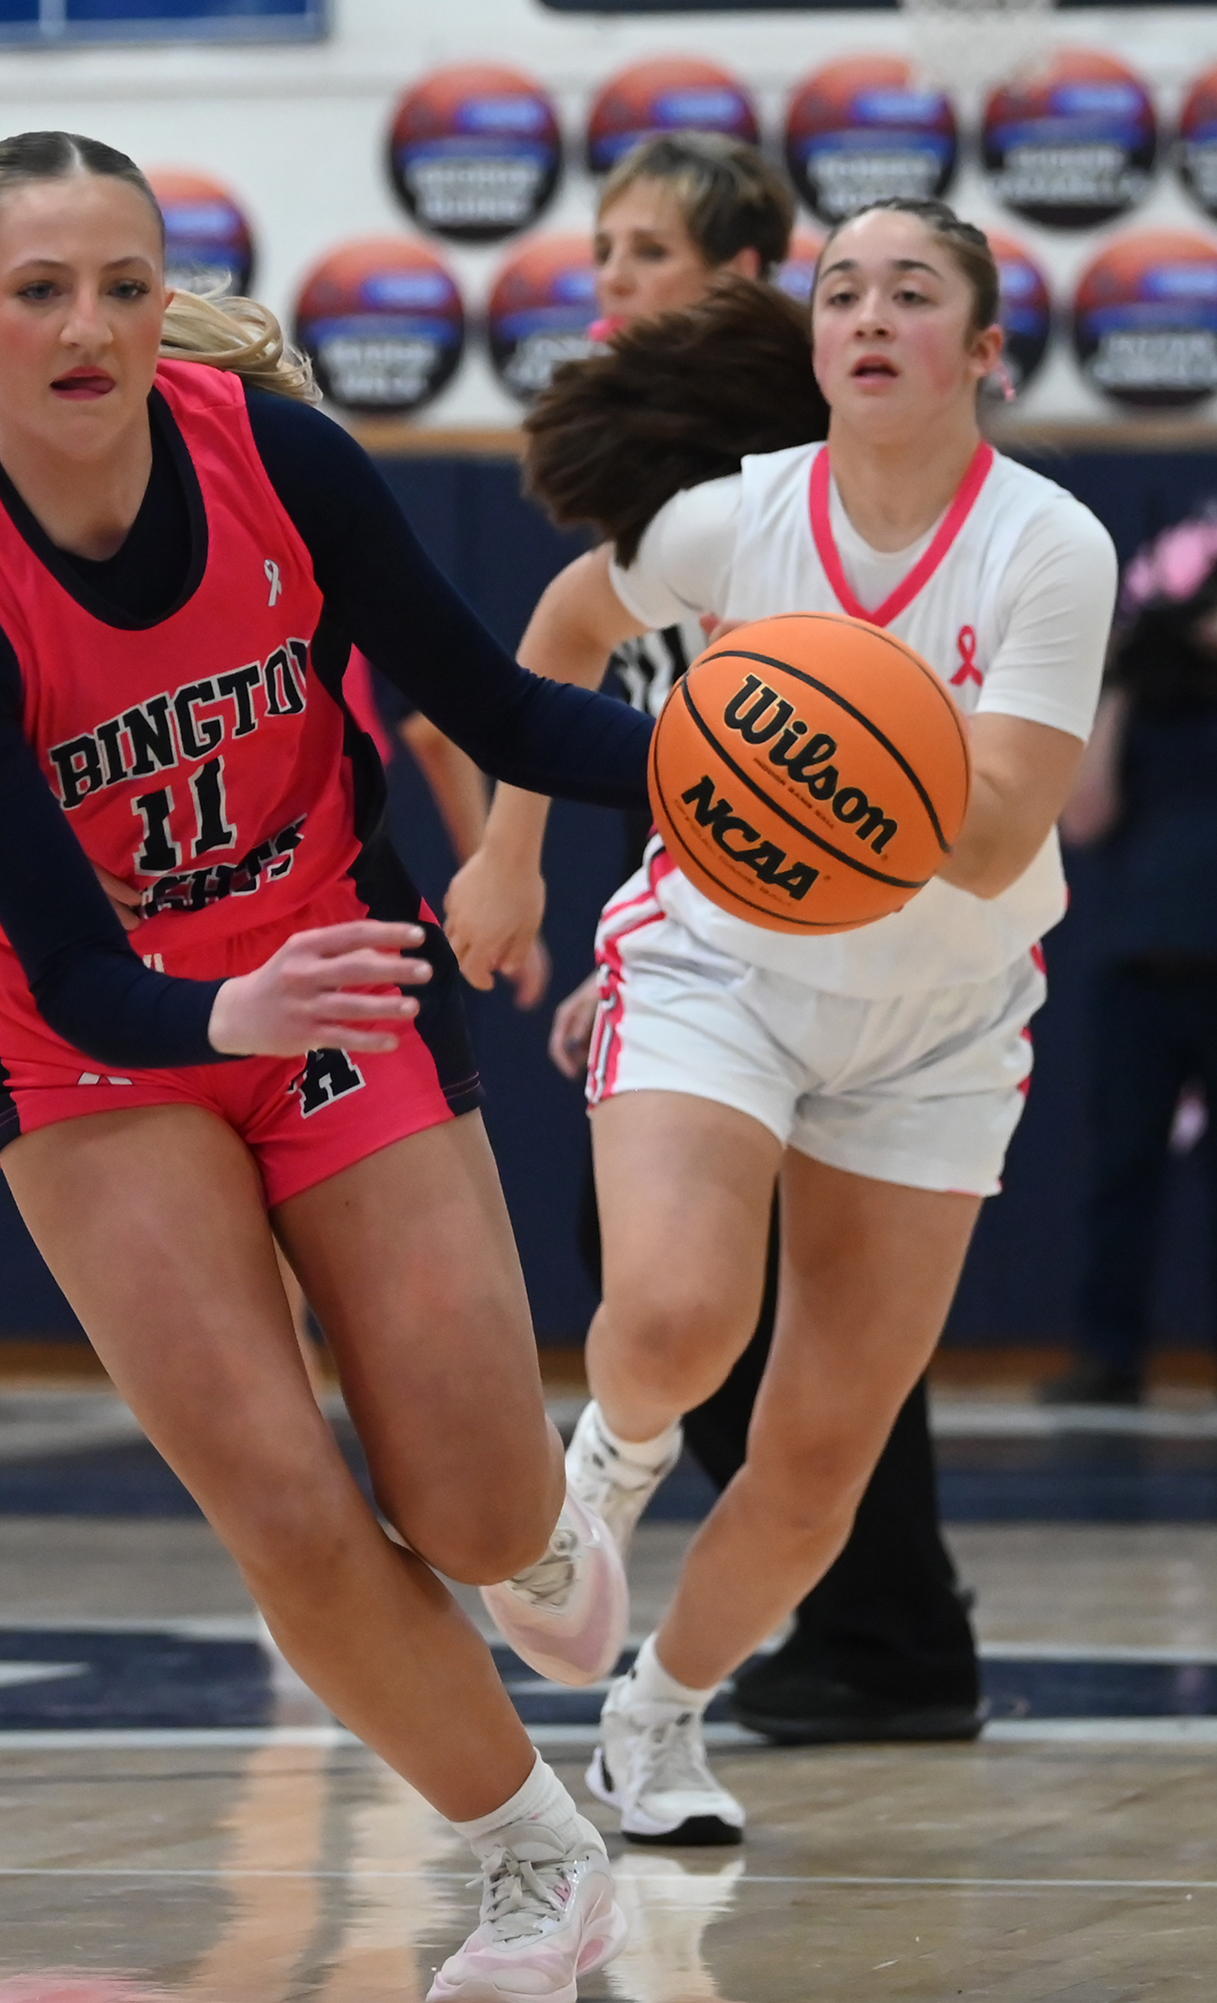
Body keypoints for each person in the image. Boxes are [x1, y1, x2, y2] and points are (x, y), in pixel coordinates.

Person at [0, 130, 660, 2001]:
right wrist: (222, 1010)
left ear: (169, 301)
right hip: (98, 1048)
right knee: (280, 1502)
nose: (88, 327)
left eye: (125, 286)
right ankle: (539, 1862)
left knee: (467, 1504)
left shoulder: (281, 456)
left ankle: (532, 1536)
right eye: (41, 291)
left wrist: (714, 764)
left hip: (336, 973)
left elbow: (497, 705)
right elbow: (71, 964)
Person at [470, 198, 1112, 1846]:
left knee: (824, 1453)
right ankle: (591, 1486)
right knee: (675, 1320)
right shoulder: (733, 518)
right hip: (724, 966)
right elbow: (563, 631)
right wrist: (511, 852)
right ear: (814, 341)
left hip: (943, 1018)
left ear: (983, 349)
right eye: (843, 292)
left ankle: (658, 1718)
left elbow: (999, 828)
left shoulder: (1049, 544)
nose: (870, 314)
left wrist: (821, 743)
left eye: (913, 292)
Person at [1047, 522, 1217, 1405]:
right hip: (1139, 964)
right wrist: (1118, 682)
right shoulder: (1145, 693)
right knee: (1120, 1169)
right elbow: (1082, 817)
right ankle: (1108, 1356)